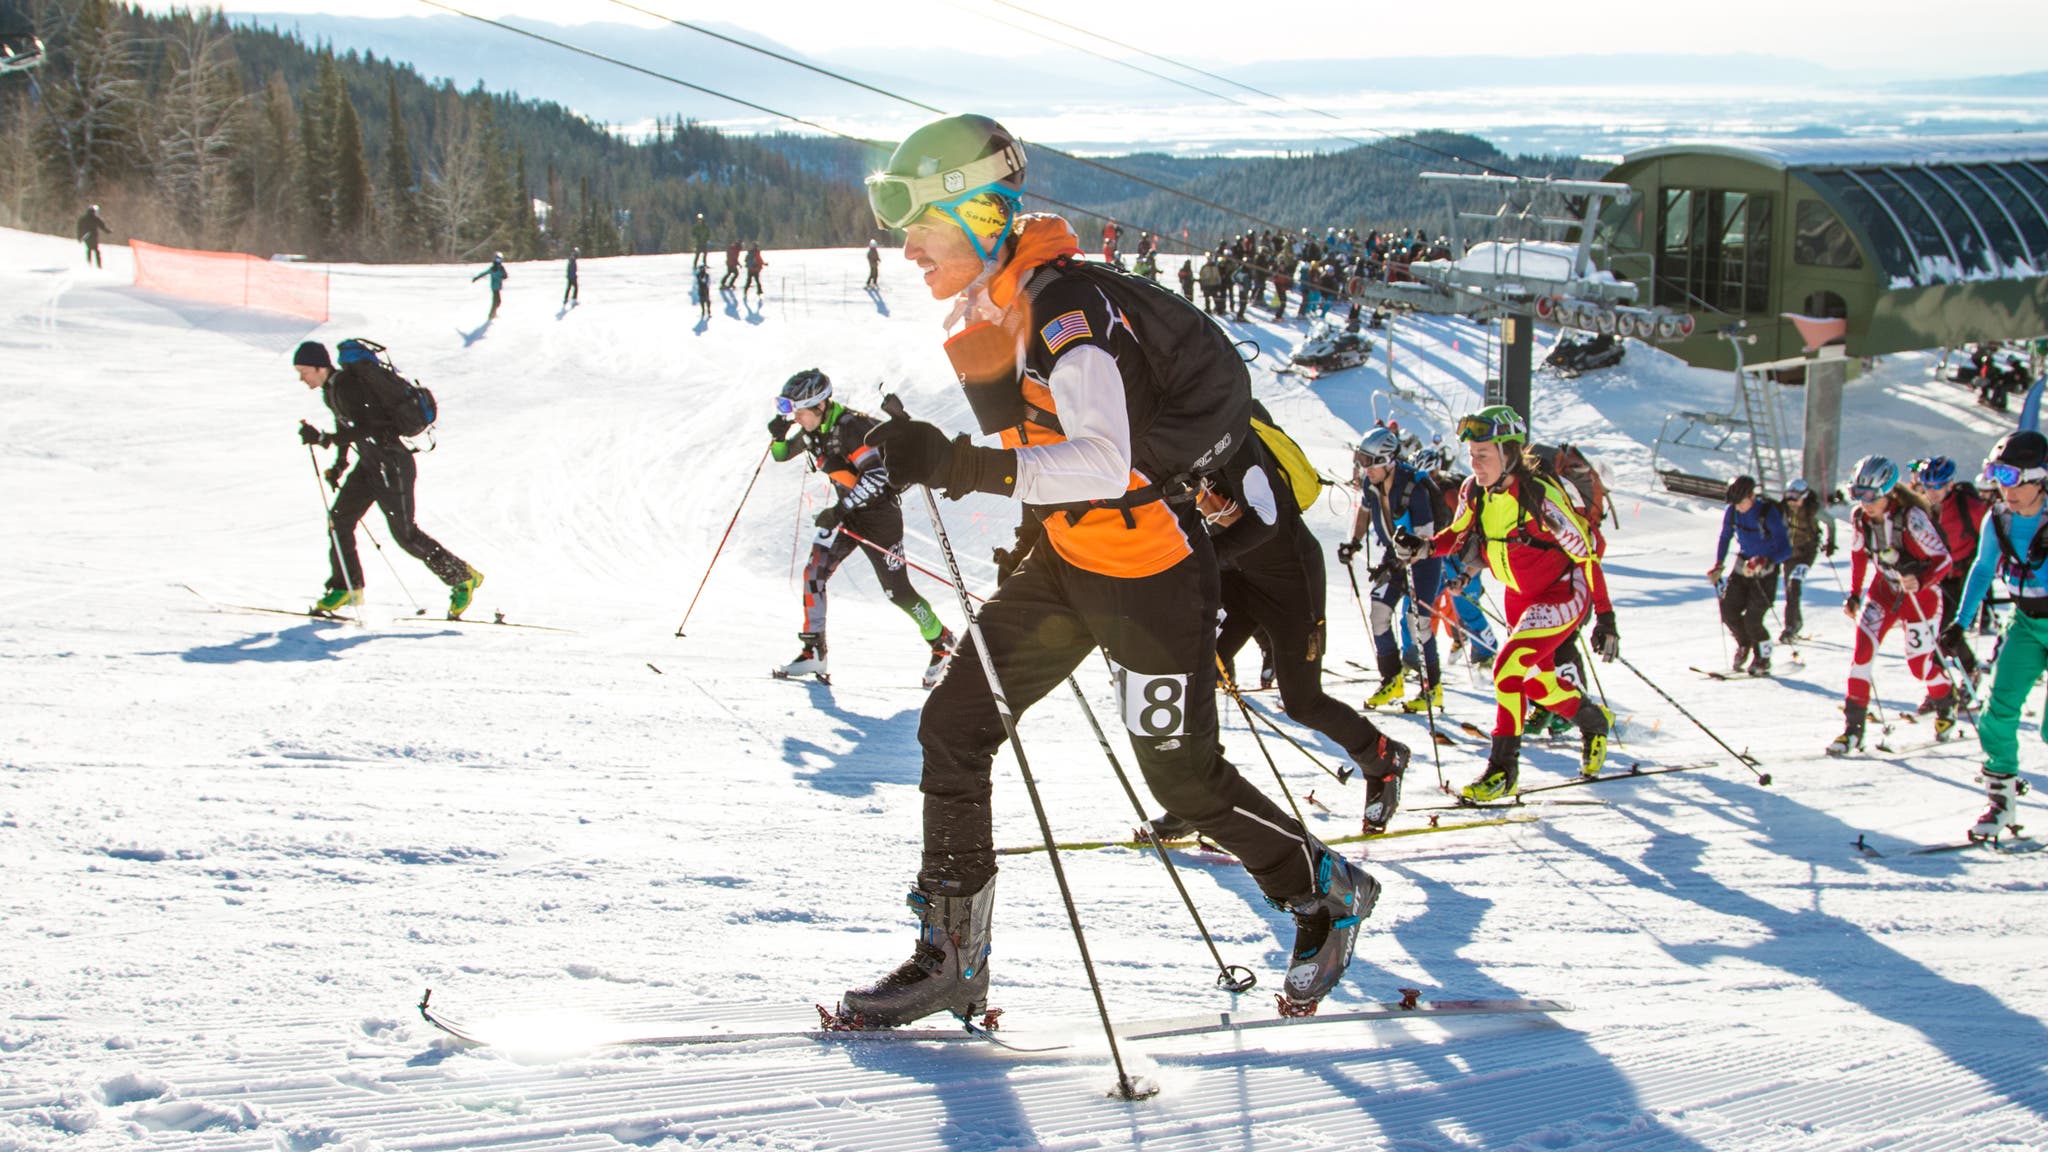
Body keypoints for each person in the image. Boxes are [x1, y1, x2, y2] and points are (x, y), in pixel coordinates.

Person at [839, 113, 1376, 1026]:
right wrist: (918, 454)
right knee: (954, 726)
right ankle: (954, 956)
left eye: (921, 227)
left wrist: (956, 462)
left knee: (1183, 782)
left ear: (978, 212)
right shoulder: (1000, 307)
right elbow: (1040, 449)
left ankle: (1323, 888)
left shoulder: (1068, 315)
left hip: (1152, 580)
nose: (908, 251)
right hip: (1067, 565)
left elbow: (1101, 460)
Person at [1194, 412, 1412, 832]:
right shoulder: (1180, 438)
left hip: (1291, 583)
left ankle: (1383, 758)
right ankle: (1201, 792)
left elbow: (1265, 520)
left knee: (1303, 701)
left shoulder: (1234, 435)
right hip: (1238, 577)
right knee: (1197, 669)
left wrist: (1202, 556)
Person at [1427, 405, 1615, 801]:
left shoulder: (1540, 498)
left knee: (1508, 669)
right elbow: (1456, 534)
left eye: (1483, 455)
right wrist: (1424, 547)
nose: (1475, 464)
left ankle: (1503, 771)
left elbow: (1586, 556)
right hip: (1519, 597)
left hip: (1562, 592)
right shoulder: (1474, 491)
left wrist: (1605, 617)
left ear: (1508, 453)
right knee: (1537, 684)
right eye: (1472, 455)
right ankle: (1594, 721)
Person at [768, 369, 956, 689]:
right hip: (849, 515)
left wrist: (838, 510)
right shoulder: (814, 430)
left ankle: (942, 643)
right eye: (790, 412)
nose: (794, 418)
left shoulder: (850, 429)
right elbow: (782, 455)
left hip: (879, 518)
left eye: (798, 411)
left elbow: (876, 478)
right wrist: (777, 436)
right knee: (814, 572)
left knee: (898, 593)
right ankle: (814, 651)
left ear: (820, 406)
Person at [291, 341, 482, 619]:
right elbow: (346, 426)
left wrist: (325, 439)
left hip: (392, 465)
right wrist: (340, 463)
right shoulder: (331, 391)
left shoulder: (347, 386)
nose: (302, 378)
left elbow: (368, 428)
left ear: (320, 367)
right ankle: (346, 587)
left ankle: (462, 577)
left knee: (405, 534)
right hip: (371, 465)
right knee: (339, 520)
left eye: (304, 371)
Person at [1949, 430, 2047, 842]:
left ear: (2040, 478)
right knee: (1996, 714)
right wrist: (1960, 622)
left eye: (2014, 480)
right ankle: (2001, 803)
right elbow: (1983, 569)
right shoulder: (1999, 519)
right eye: (1999, 478)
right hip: (2025, 623)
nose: (2006, 490)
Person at [1828, 455, 1956, 755]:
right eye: (1858, 495)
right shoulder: (1860, 518)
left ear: (1887, 491)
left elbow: (1944, 560)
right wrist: (1855, 594)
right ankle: (1853, 730)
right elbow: (1859, 555)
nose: (1865, 503)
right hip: (1884, 593)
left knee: (1919, 666)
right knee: (1861, 655)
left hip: (1920, 598)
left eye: (1871, 496)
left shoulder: (1913, 517)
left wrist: (1921, 581)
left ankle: (1946, 702)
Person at [1341, 426, 1443, 714]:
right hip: (1394, 557)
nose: (1365, 469)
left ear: (1387, 461)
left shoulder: (1414, 487)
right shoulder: (1370, 484)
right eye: (1361, 461)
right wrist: (1353, 543)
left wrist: (1403, 558)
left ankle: (1432, 688)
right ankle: (1392, 680)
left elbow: (1425, 538)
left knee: (1417, 622)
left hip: (1422, 561)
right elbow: (1364, 513)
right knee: (1379, 613)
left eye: (1370, 462)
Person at [1912, 455, 1990, 692]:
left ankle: (1969, 672)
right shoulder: (1920, 509)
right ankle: (1941, 690)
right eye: (1927, 485)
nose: (1932, 491)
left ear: (1950, 484)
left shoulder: (1969, 507)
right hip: (1935, 577)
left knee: (1946, 630)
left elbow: (1992, 533)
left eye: (1938, 485)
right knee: (1929, 633)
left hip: (1961, 575)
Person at [1710, 475, 1792, 676]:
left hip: (1765, 571)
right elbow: (1725, 536)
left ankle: (1763, 657)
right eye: (1734, 504)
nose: (1738, 507)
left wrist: (1766, 561)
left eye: (1741, 502)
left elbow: (1786, 549)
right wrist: (1719, 564)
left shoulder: (1767, 513)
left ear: (1752, 496)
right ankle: (1744, 643)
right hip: (1743, 565)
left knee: (1753, 620)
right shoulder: (1732, 512)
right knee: (1728, 610)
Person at [1778, 478, 1837, 644]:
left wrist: (1831, 542)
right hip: (1789, 553)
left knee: (1795, 584)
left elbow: (1831, 522)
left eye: (1795, 497)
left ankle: (1791, 627)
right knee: (1789, 589)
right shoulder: (1783, 509)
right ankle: (1796, 622)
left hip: (1806, 552)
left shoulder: (1812, 509)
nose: (1791, 501)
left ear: (1804, 496)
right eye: (1789, 496)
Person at [471, 253, 508, 319]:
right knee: (496, 301)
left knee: (498, 301)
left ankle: (493, 314)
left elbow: (505, 276)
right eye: (497, 260)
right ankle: (491, 315)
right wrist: (476, 278)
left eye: (500, 260)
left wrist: (503, 276)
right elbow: (484, 273)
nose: (498, 261)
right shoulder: (493, 268)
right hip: (494, 287)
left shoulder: (501, 268)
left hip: (498, 286)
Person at [76, 204, 111, 268]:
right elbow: (102, 226)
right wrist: (107, 231)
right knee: (95, 250)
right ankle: (98, 265)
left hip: (86, 236)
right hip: (93, 236)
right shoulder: (95, 218)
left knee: (89, 249)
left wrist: (79, 237)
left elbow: (79, 228)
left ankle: (89, 264)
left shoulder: (83, 218)